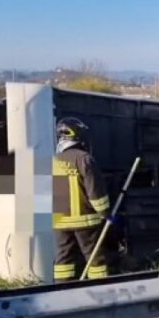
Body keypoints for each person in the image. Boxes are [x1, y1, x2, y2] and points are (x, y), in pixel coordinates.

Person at [52, 117, 111, 281]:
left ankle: (62, 291)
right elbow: (95, 191)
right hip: (85, 221)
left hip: (60, 223)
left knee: (63, 260)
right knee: (95, 260)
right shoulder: (84, 159)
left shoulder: (53, 160)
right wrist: (105, 213)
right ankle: (100, 291)